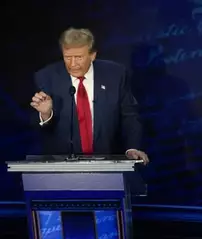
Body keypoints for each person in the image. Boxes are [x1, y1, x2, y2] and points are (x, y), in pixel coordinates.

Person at [29, 27, 149, 163]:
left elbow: (129, 115)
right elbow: (35, 129)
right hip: (62, 166)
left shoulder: (115, 74)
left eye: (78, 57)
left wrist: (132, 148)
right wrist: (46, 114)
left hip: (109, 162)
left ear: (92, 55)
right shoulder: (46, 77)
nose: (72, 64)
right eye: (67, 57)